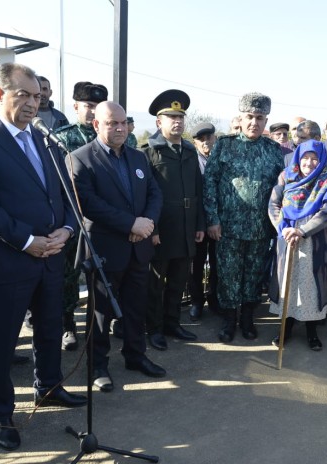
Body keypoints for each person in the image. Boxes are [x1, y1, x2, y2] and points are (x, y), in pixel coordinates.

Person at [0, 62, 86, 451]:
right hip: (10, 259)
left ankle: (48, 387)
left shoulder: (43, 140)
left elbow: (60, 193)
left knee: (49, 329)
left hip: (51, 255)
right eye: (23, 95)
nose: (33, 103)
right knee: (2, 341)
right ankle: (1, 414)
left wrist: (67, 227)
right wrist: (26, 240)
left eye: (38, 97)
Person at [68, 101, 165, 393]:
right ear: (97, 125)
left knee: (136, 306)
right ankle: (98, 365)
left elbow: (154, 193)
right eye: (112, 123)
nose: (120, 128)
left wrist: (146, 223)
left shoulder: (138, 157)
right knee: (101, 312)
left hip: (139, 247)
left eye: (123, 122)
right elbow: (89, 205)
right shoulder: (79, 158)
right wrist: (130, 225)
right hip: (105, 250)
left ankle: (136, 356)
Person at [203, 92, 284, 343]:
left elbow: (283, 189)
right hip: (228, 228)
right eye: (250, 117)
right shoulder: (225, 146)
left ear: (266, 120)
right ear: (241, 117)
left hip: (261, 228)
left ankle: (247, 319)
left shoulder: (273, 150)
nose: (254, 123)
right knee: (228, 275)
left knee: (253, 276)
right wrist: (213, 220)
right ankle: (229, 321)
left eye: (260, 118)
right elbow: (210, 183)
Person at [143, 89, 202, 351]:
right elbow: (143, 195)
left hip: (187, 227)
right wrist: (151, 227)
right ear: (159, 122)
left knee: (179, 281)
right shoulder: (148, 153)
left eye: (180, 117)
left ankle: (172, 323)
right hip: (162, 228)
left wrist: (200, 224)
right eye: (171, 117)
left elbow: (198, 191)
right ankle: (153, 329)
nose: (177, 121)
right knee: (156, 283)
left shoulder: (189, 151)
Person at [268, 140, 327, 351]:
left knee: (309, 284)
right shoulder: (287, 175)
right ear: (298, 157)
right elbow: (274, 203)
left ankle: (311, 331)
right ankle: (285, 328)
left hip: (314, 239)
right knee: (288, 282)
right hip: (287, 236)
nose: (309, 162)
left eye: (314, 158)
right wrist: (283, 228)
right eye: (305, 158)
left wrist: (303, 230)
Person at [54, 81, 108, 350]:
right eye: (88, 106)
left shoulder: (121, 137)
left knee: (106, 276)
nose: (92, 111)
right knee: (69, 276)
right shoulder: (61, 138)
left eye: (98, 107)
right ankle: (68, 326)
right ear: (75, 106)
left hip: (106, 223)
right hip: (74, 220)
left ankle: (102, 327)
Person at [189, 122, 220, 321]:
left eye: (209, 138)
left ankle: (214, 298)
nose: (206, 142)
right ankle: (196, 302)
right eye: (201, 139)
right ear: (195, 142)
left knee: (217, 264)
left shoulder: (221, 160)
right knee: (197, 265)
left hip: (218, 222)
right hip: (198, 223)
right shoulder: (191, 161)